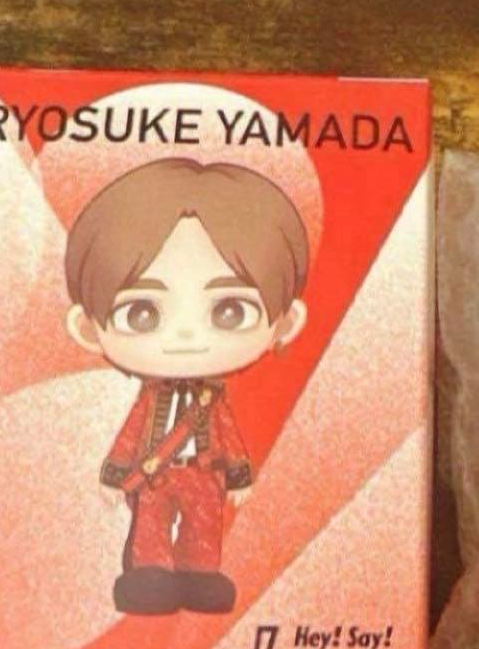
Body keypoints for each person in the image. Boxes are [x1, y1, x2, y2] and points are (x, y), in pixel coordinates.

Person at [64, 158, 310, 615]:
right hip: (154, 473)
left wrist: (238, 475)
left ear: (285, 323)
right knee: (150, 529)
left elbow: (228, 434)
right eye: (141, 313)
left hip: (205, 472)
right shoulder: (151, 397)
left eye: (230, 311)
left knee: (204, 527)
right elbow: (132, 433)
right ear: (88, 328)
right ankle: (150, 579)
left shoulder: (211, 399)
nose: (184, 336)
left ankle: (200, 576)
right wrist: (115, 473)